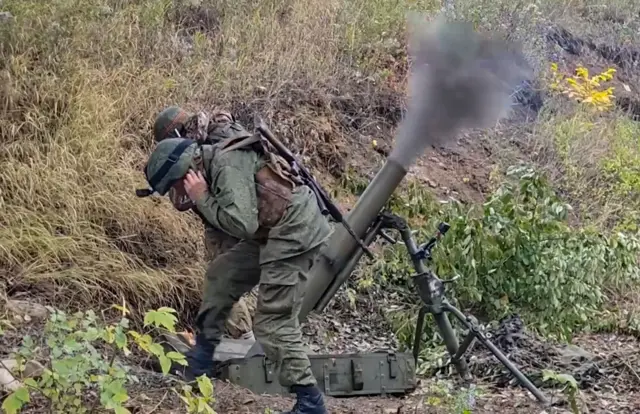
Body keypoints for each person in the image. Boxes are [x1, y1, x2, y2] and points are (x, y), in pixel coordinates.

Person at [140, 120, 332, 413]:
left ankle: (310, 402)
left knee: (272, 323)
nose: (176, 196)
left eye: (175, 187)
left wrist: (202, 197)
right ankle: (200, 364)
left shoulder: (225, 165)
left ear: (187, 174)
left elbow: (242, 223)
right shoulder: (213, 162)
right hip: (271, 229)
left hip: (295, 229)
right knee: (221, 275)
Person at [151, 106, 258, 341]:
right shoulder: (212, 134)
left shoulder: (212, 145)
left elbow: (221, 196)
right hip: (236, 217)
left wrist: (202, 197)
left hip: (232, 221)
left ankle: (241, 338)